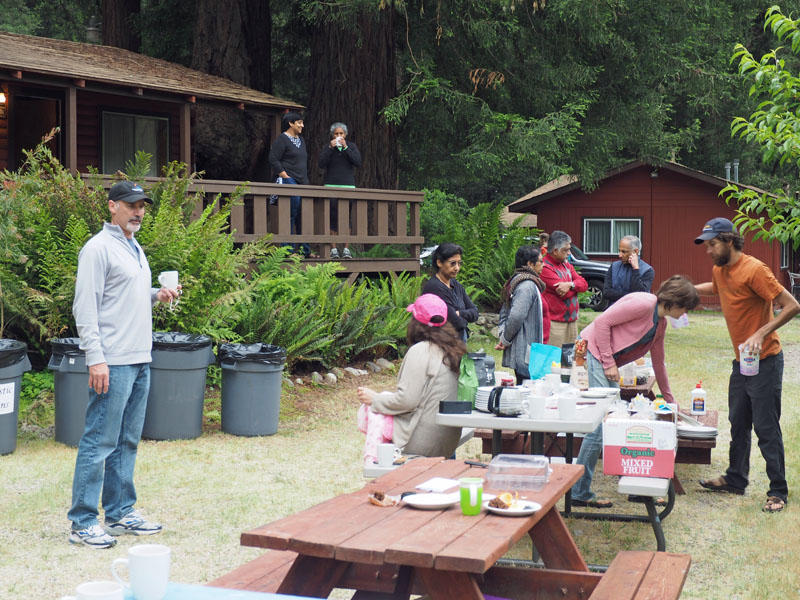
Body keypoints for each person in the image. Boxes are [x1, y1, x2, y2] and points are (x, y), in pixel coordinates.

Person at [68, 181, 180, 548]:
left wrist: (156, 295)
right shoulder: (97, 249)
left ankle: (119, 513)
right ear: (113, 206)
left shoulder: (133, 246)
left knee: (127, 441)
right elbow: (85, 308)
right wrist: (95, 359)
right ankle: (83, 522)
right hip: (112, 363)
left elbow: (124, 296)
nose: (138, 212)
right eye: (131, 205)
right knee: (99, 442)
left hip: (139, 358)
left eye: (143, 206)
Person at [694, 217, 799, 513]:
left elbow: (792, 305)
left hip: (766, 359)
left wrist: (760, 332)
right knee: (738, 423)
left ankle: (778, 490)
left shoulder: (755, 270)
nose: (708, 250)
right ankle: (735, 479)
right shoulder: (720, 269)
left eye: (713, 244)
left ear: (729, 241)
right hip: (742, 362)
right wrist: (689, 289)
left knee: (766, 427)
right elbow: (716, 288)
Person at [570, 276, 700, 508]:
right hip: (591, 351)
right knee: (600, 426)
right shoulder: (644, 303)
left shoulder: (660, 324)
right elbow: (602, 323)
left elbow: (659, 363)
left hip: (604, 359)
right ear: (675, 301)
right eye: (685, 308)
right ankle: (578, 492)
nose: (685, 314)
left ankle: (635, 487)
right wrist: (609, 362)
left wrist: (671, 401)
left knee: (619, 423)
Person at [357, 294, 467, 457]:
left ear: (416, 322)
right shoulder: (453, 349)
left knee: (371, 410)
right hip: (447, 440)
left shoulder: (422, 350)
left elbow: (407, 400)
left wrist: (375, 399)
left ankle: (374, 463)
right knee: (382, 400)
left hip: (423, 442)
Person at [495, 245, 551, 384]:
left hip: (533, 347)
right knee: (527, 387)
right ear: (530, 264)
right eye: (540, 261)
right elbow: (515, 316)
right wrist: (505, 339)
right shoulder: (526, 285)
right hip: (526, 349)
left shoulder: (526, 282)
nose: (543, 265)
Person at [268, 111, 310, 257]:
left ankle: (305, 250)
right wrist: (285, 176)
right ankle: (288, 251)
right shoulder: (282, 139)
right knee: (290, 213)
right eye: (299, 122)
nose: (302, 125)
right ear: (291, 123)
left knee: (304, 214)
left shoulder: (302, 140)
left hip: (303, 181)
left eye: (302, 122)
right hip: (289, 180)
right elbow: (273, 159)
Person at [318, 122, 362, 259]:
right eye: (336, 134)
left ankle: (346, 249)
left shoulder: (351, 147)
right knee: (332, 218)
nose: (339, 136)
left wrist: (346, 147)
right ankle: (334, 249)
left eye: (341, 134)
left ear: (345, 135)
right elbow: (321, 163)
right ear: (332, 135)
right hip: (331, 186)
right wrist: (330, 148)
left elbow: (358, 162)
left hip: (348, 187)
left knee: (346, 219)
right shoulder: (328, 148)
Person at [421, 243, 478, 342]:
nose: (457, 268)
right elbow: (455, 322)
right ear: (439, 263)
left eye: (459, 263)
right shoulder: (434, 288)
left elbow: (475, 312)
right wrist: (464, 318)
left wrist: (460, 313)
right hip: (440, 345)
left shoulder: (456, 285)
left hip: (457, 345)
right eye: (453, 263)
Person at [540, 230, 588, 349]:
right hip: (554, 324)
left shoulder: (566, 265)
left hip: (572, 321)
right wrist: (575, 286)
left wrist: (570, 285)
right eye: (565, 250)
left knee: (572, 360)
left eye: (569, 249)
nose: (569, 253)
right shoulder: (545, 268)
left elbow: (584, 285)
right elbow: (564, 294)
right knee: (554, 361)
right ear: (555, 251)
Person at [602, 235, 655, 306]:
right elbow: (606, 292)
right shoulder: (614, 266)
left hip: (636, 313)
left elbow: (641, 295)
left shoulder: (648, 270)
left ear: (636, 251)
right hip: (614, 311)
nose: (620, 255)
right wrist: (631, 295)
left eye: (624, 252)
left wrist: (635, 269)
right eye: (619, 251)